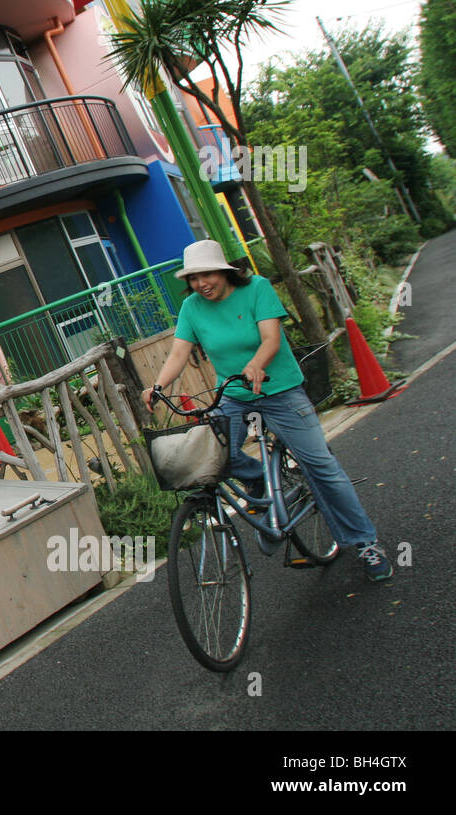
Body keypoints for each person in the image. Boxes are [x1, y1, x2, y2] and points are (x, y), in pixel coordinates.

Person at [141, 239, 393, 581]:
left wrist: (257, 364)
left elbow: (271, 339)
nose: (202, 284)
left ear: (224, 271)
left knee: (321, 467)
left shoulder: (257, 289)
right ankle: (256, 476)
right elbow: (178, 353)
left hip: (280, 390)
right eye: (194, 278)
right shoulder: (192, 308)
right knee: (214, 456)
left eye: (207, 275)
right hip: (233, 395)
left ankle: (366, 543)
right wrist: (158, 386)